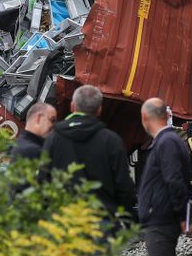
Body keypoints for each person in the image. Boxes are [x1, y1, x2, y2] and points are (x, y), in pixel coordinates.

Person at [43, 85, 136, 229]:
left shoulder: (53, 139)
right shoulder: (111, 140)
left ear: (73, 106)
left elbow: (43, 180)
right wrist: (127, 218)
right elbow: (124, 185)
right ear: (99, 110)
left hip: (65, 221)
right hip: (102, 221)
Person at [138, 97, 191, 256]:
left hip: (161, 220)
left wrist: (181, 216)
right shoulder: (168, 141)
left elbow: (174, 181)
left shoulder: (167, 142)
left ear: (146, 118)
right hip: (162, 218)